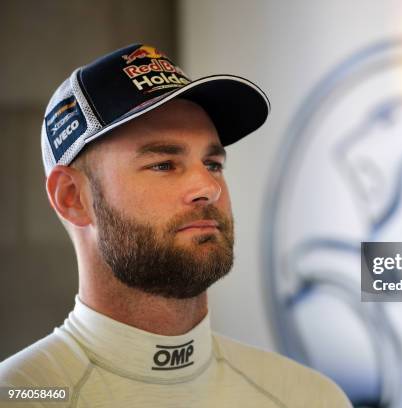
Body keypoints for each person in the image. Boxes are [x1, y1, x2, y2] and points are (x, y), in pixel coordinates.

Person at [0, 44, 351, 407]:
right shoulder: (20, 396)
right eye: (164, 164)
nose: (209, 188)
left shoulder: (311, 398)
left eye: (213, 164)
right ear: (72, 197)